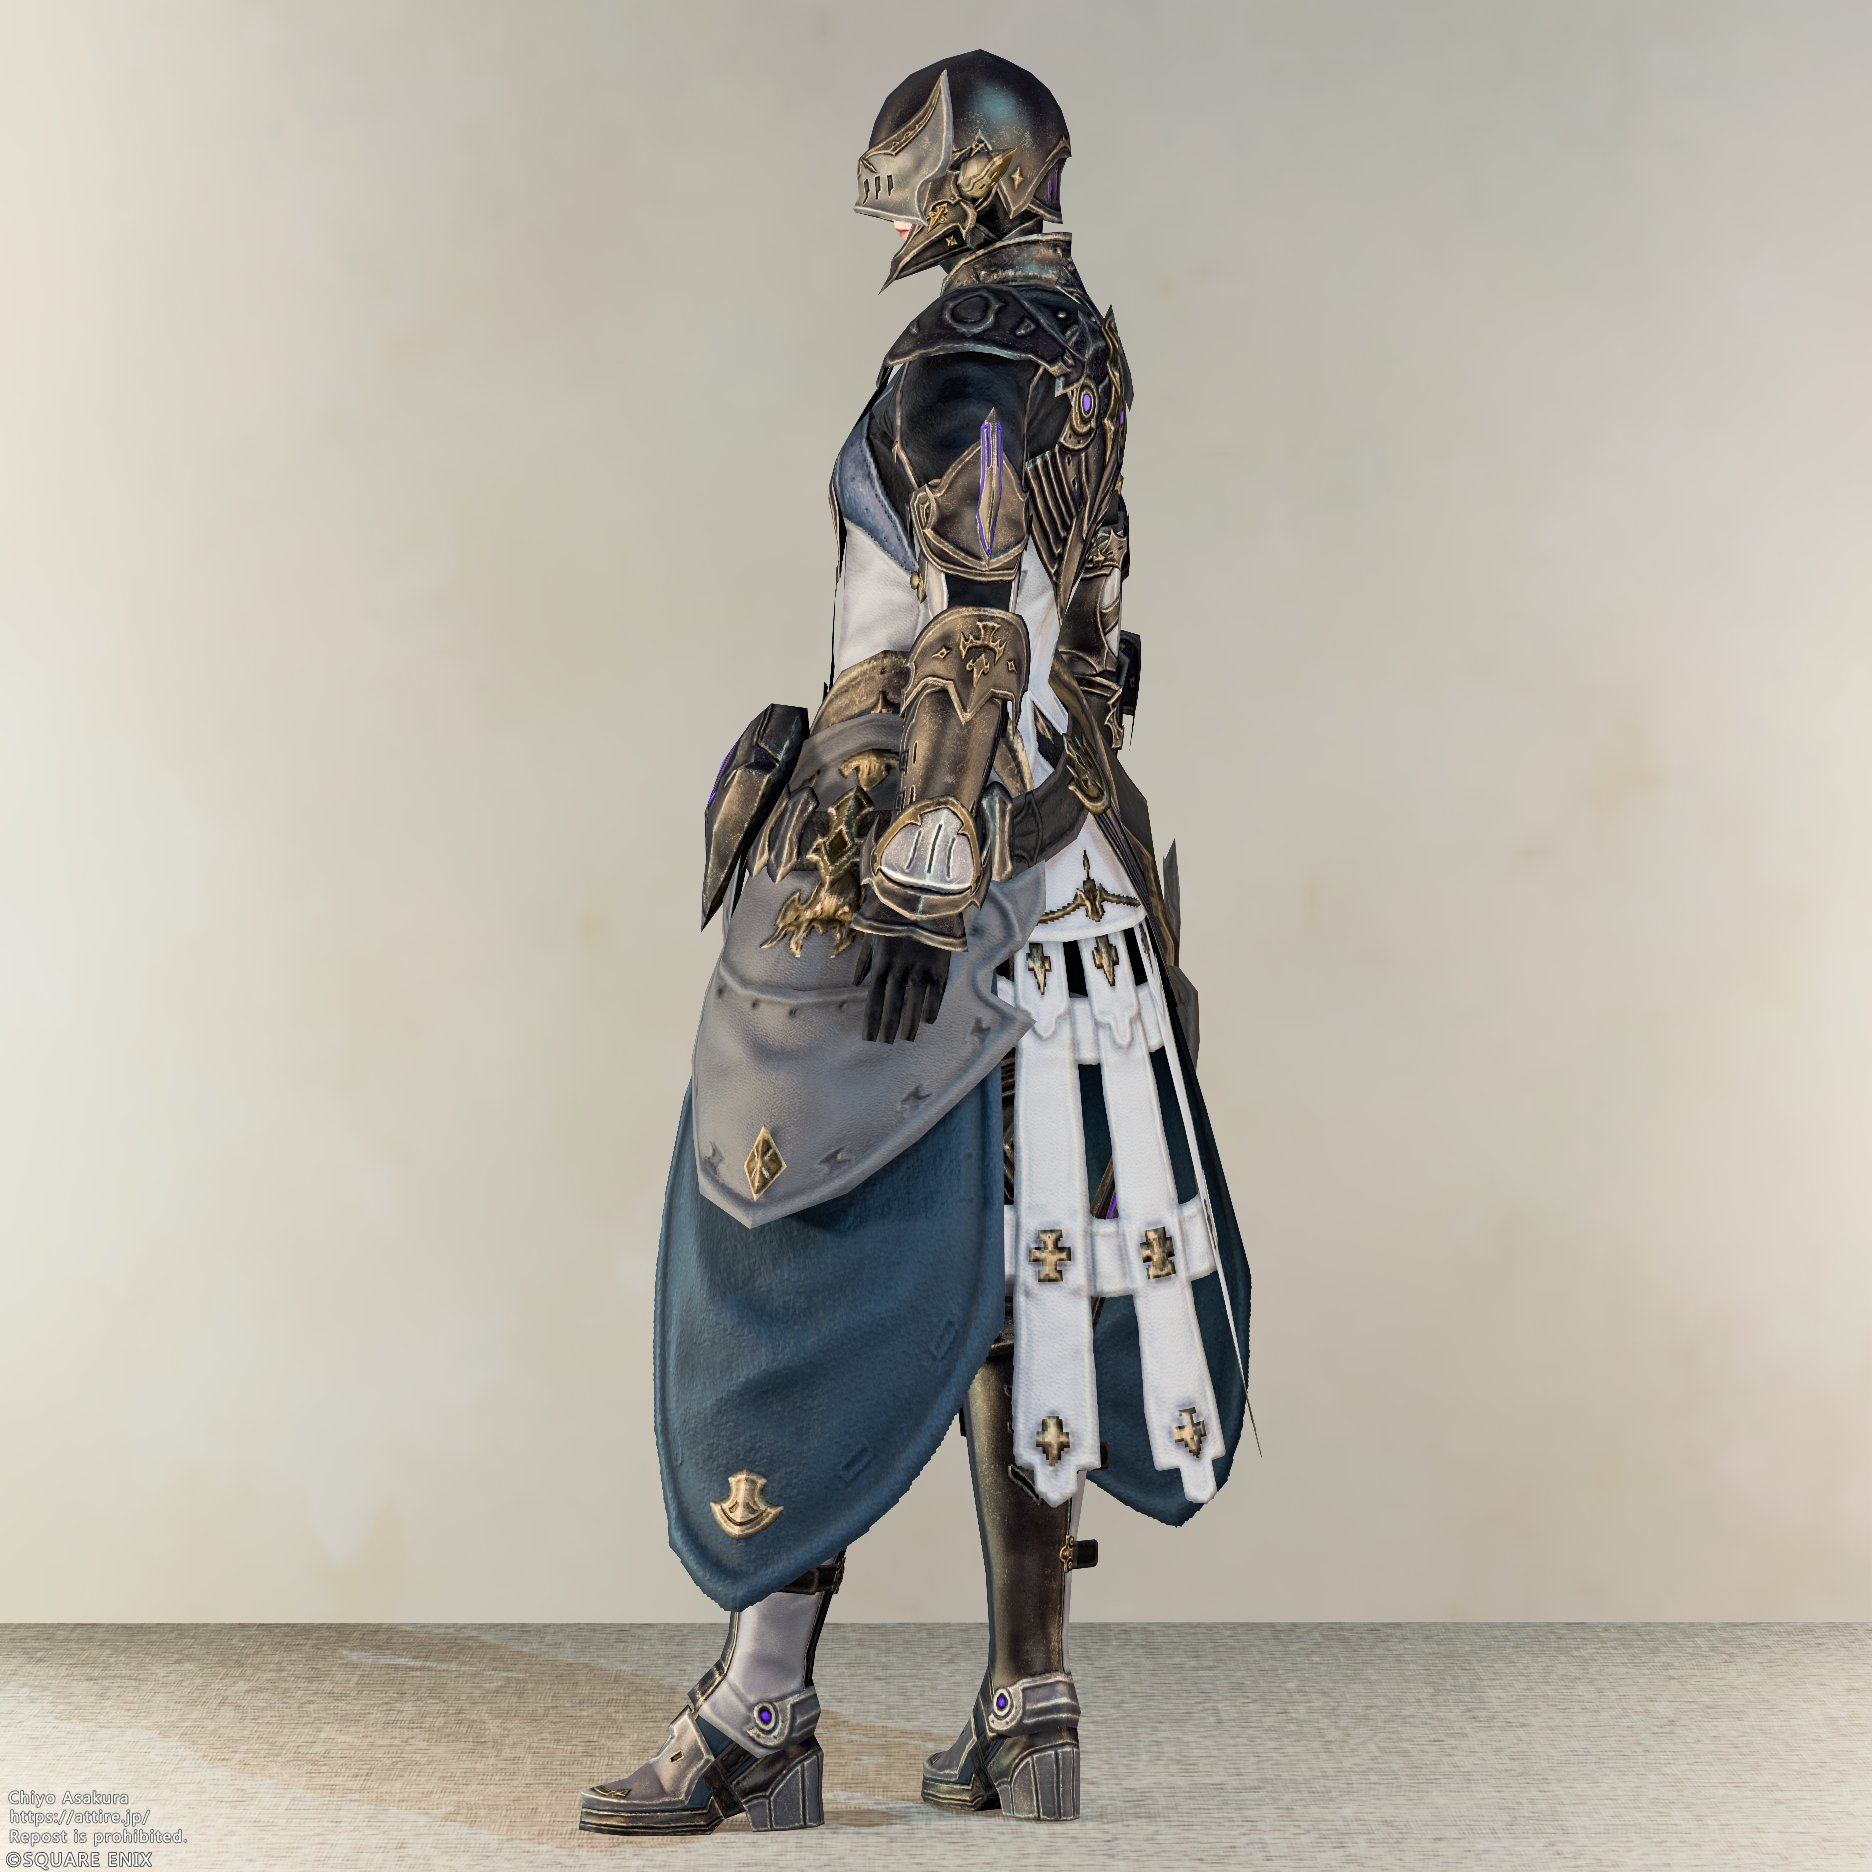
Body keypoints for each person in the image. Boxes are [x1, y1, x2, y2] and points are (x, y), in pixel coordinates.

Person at [579, 48, 1253, 1836]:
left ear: (976, 178)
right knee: (1025, 1272)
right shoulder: (1087, 350)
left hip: (928, 869)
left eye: (916, 169)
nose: (897, 204)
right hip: (1077, 873)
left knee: (799, 1243)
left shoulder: (962, 355)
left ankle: (760, 1710)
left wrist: (921, 871)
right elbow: (1092, 638)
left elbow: (975, 634)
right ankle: (1030, 1707)